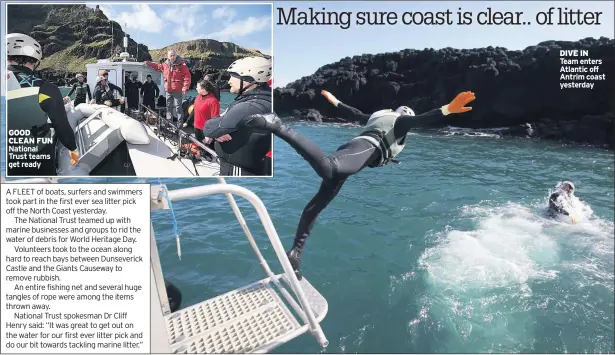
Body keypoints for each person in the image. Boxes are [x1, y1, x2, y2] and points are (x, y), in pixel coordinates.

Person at [238, 89, 476, 279]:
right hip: (362, 150)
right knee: (328, 169)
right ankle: (277, 125)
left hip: (354, 152)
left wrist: (334, 101)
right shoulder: (402, 122)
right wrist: (448, 109)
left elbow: (352, 112)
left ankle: (295, 254)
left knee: (317, 205)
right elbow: (424, 119)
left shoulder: (379, 116)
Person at [6, 33, 78, 176]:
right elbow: (62, 127)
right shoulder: (45, 88)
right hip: (35, 160)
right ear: (35, 60)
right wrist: (74, 150)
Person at [202, 56, 272, 176]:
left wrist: (220, 126)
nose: (229, 81)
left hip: (237, 170)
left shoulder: (249, 107)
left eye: (233, 76)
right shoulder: (262, 99)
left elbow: (209, 128)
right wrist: (223, 124)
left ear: (249, 79)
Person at [144, 49, 191, 125]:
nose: (172, 57)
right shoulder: (165, 64)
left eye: (174, 55)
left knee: (178, 108)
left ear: (176, 55)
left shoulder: (182, 65)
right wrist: (148, 63)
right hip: (168, 90)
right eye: (171, 55)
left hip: (177, 90)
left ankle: (179, 124)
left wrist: (185, 87)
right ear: (168, 56)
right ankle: (169, 123)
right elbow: (157, 67)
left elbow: (187, 77)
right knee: (168, 107)